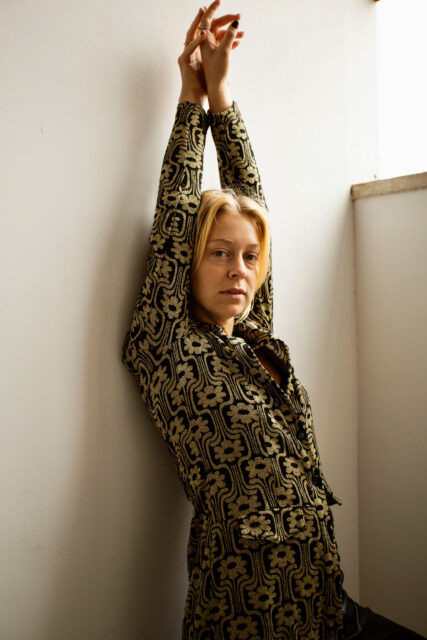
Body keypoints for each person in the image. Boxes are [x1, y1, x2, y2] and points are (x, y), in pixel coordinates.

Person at [122, 2, 426, 639]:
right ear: (188, 261)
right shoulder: (168, 344)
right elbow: (177, 212)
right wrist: (190, 96)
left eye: (249, 259)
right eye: (218, 253)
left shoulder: (255, 336)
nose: (239, 269)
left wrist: (222, 93)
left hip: (326, 604)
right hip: (249, 618)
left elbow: (250, 199)